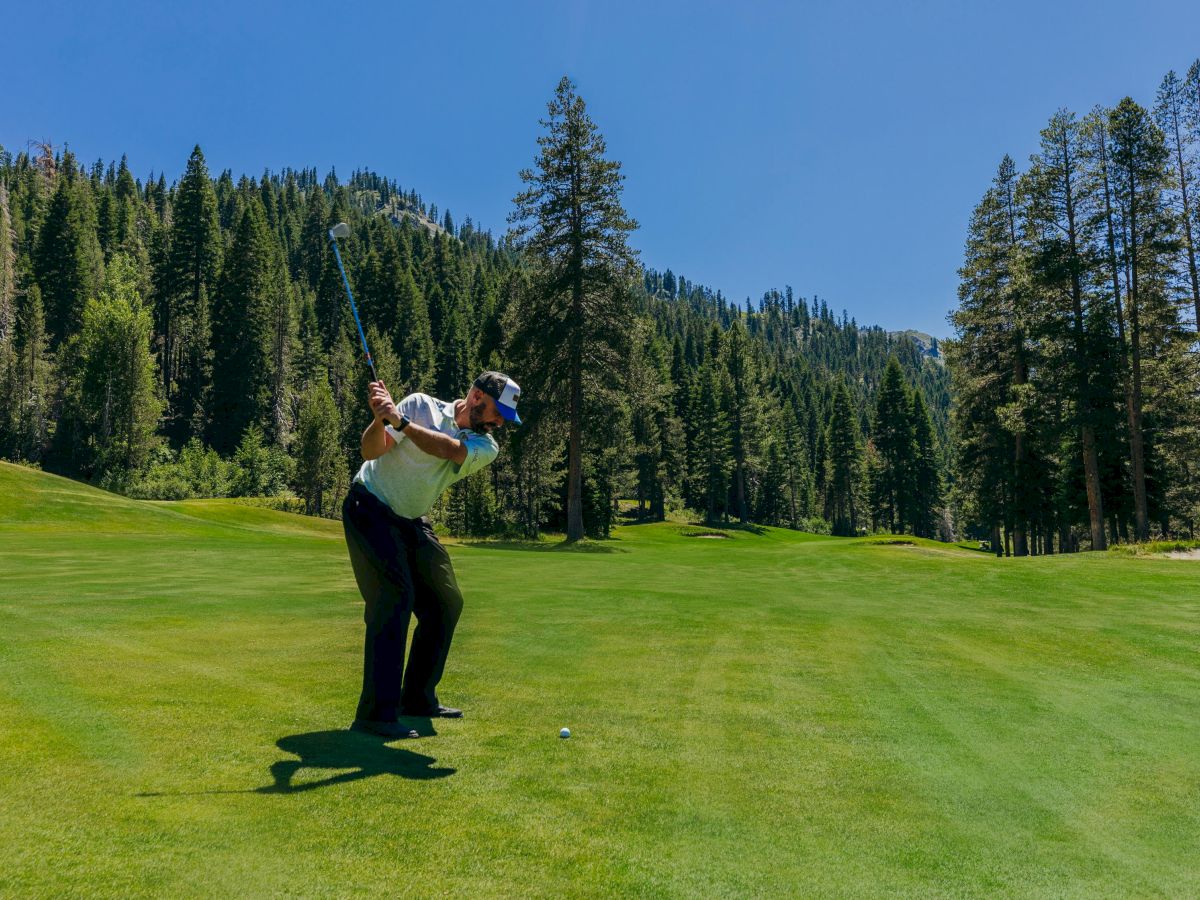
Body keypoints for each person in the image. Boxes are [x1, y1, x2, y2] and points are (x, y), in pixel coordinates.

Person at [341, 371, 521, 739]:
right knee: (394, 597)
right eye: (497, 413)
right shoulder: (420, 405)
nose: (499, 423)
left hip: (411, 519)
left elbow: (450, 450)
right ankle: (375, 714)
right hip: (369, 507)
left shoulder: (485, 445)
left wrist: (401, 423)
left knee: (445, 602)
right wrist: (380, 419)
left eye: (504, 418)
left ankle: (418, 699)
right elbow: (370, 451)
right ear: (476, 397)